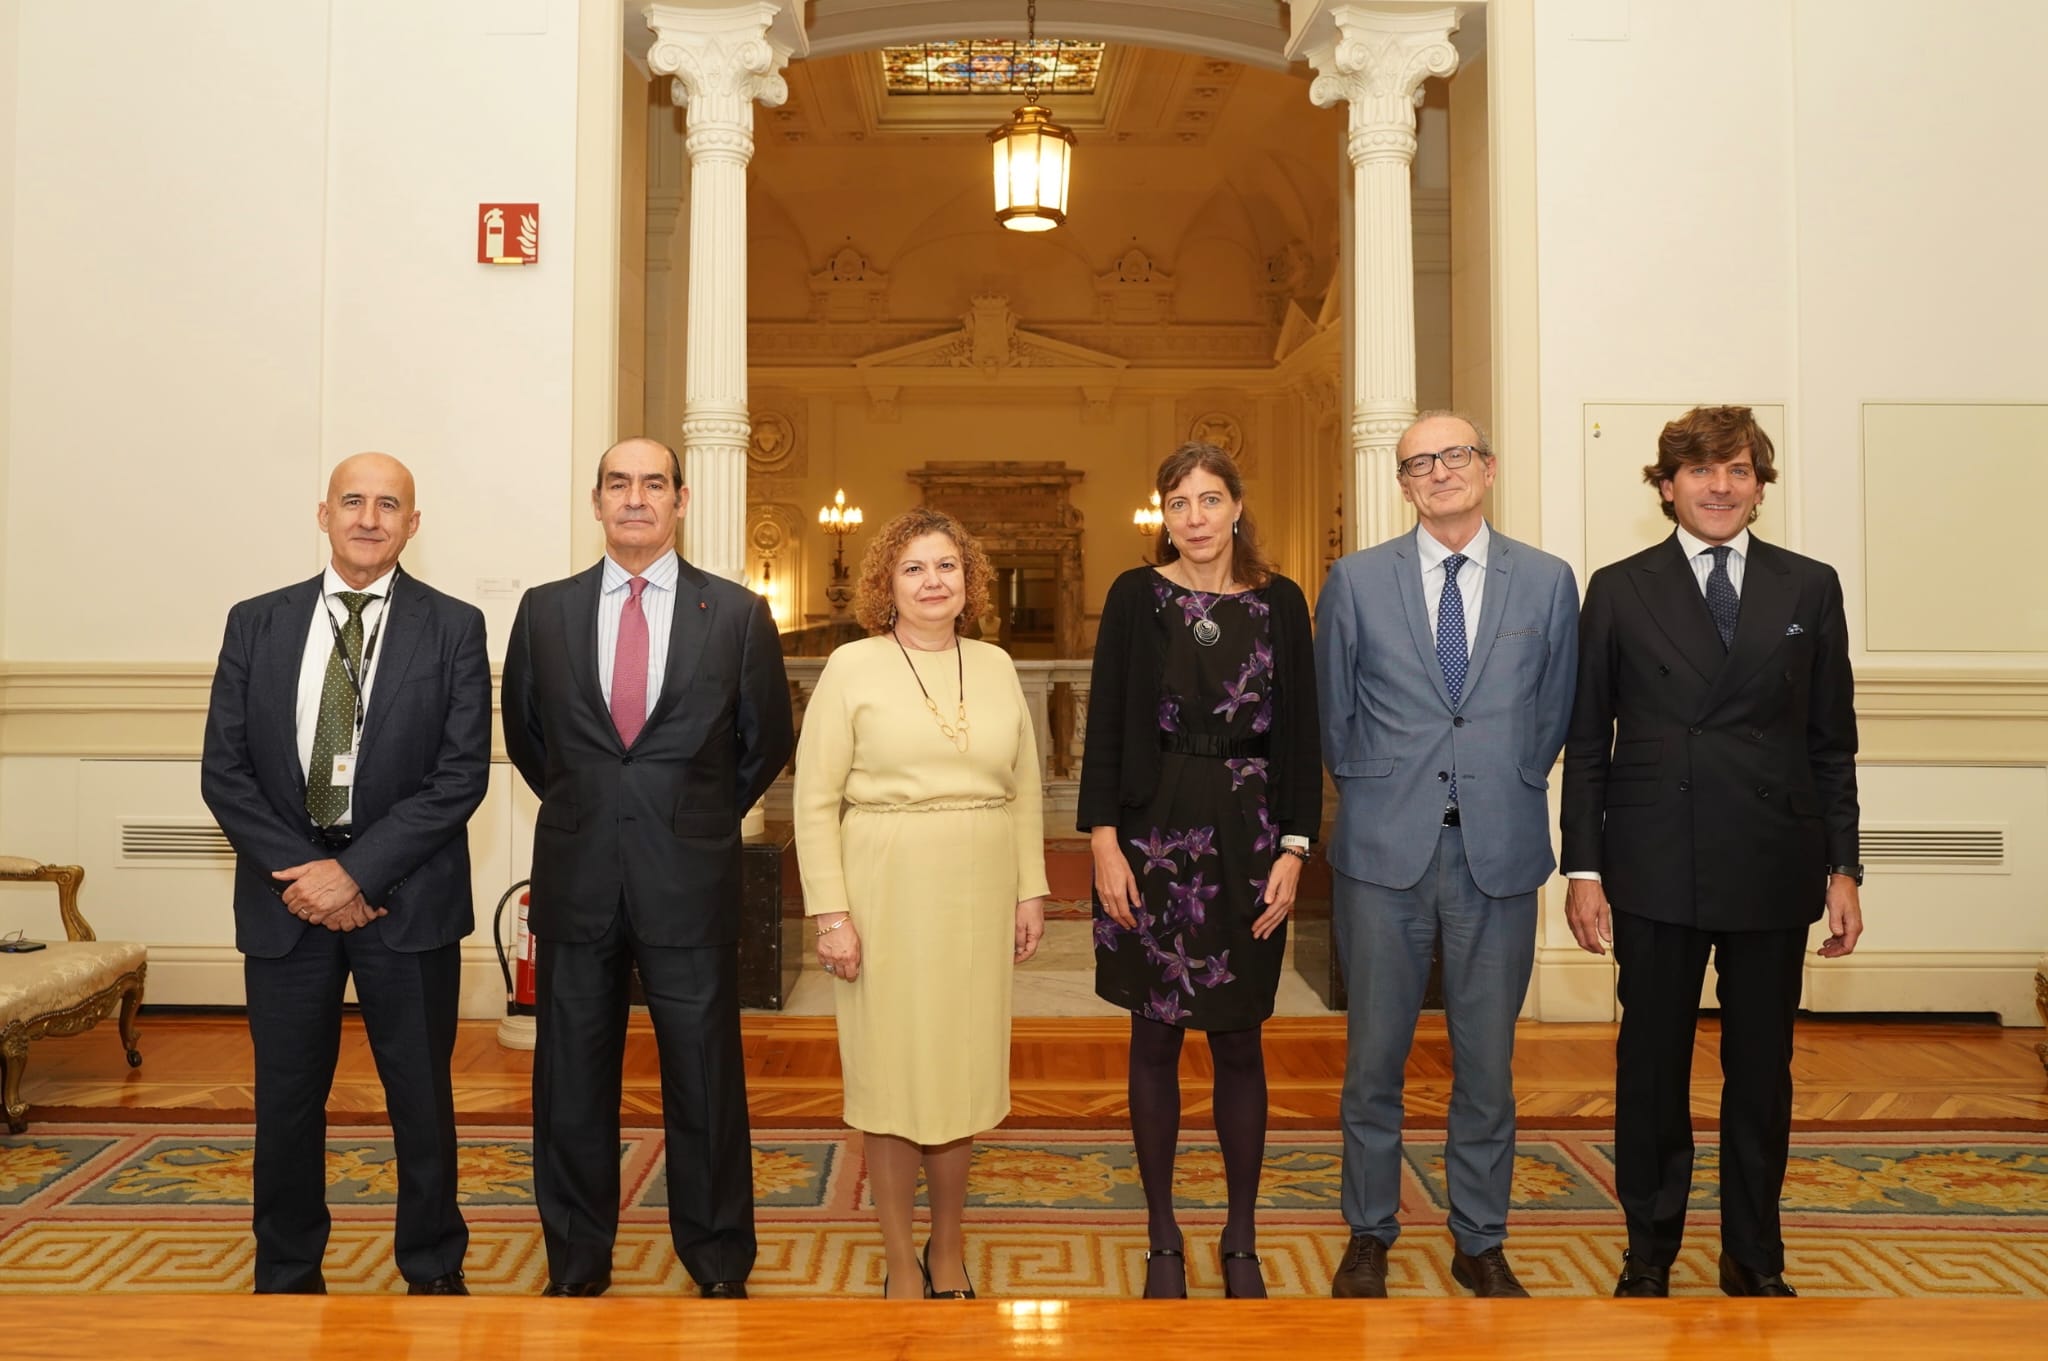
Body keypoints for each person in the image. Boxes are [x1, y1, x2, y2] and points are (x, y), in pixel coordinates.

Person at [1561, 405, 1862, 1299]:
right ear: (1666, 486)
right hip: (1653, 859)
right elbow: (1588, 740)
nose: (1720, 486)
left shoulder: (1809, 586)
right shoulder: (1618, 587)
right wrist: (1584, 867)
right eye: (1700, 472)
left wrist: (1843, 867)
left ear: (1760, 487)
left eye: (1738, 471)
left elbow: (1831, 740)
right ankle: (1647, 1251)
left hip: (1775, 859)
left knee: (1761, 1072)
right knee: (1650, 1066)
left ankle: (1752, 1255)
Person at [502, 436, 795, 1299]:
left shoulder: (736, 614)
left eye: (654, 484)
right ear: (595, 501)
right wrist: (599, 805)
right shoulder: (544, 611)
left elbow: (765, 741)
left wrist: (691, 815)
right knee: (569, 1085)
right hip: (578, 878)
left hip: (690, 882)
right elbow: (529, 738)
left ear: (681, 499)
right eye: (619, 483)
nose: (636, 497)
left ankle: (716, 1262)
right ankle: (577, 1263)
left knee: (705, 1081)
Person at [201, 452, 490, 1296]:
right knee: (286, 1103)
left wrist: (356, 874)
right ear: (322, 514)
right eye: (353, 501)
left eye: (389, 504)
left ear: (413, 524)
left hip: (409, 900)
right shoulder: (256, 621)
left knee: (421, 1101)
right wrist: (314, 876)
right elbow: (226, 773)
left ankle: (433, 1268)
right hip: (285, 902)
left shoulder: (454, 626)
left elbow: (459, 774)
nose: (370, 517)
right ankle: (287, 1273)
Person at [1314, 412, 1579, 1299]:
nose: (1440, 472)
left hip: (1497, 853)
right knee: (1372, 1059)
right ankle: (1369, 1231)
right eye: (1420, 462)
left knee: (1488, 1066)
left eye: (1455, 454)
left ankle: (1480, 1237)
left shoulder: (1546, 582)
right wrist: (1387, 790)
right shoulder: (1354, 580)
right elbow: (1335, 713)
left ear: (1489, 468)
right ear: (1403, 484)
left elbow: (1553, 713)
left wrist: (1500, 782)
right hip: (1383, 853)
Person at [1080, 443, 1321, 1300]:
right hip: (1151, 836)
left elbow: (1302, 733)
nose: (1195, 516)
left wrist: (1297, 847)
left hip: (1252, 837)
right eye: (1178, 502)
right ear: (1163, 515)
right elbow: (1105, 720)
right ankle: (1161, 1237)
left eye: (1210, 499)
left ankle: (1242, 1236)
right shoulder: (1135, 596)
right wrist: (1102, 840)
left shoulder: (1282, 602)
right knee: (1152, 1036)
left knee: (1241, 1038)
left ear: (1236, 506)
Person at [793, 507, 1049, 1300]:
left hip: (978, 881)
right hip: (885, 881)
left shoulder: (999, 664)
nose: (933, 581)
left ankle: (948, 1246)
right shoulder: (853, 666)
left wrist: (1029, 887)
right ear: (886, 584)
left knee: (961, 1071)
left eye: (947, 566)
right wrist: (831, 913)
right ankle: (902, 1255)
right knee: (893, 1070)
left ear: (968, 580)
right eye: (914, 568)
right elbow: (812, 798)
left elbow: (1027, 788)